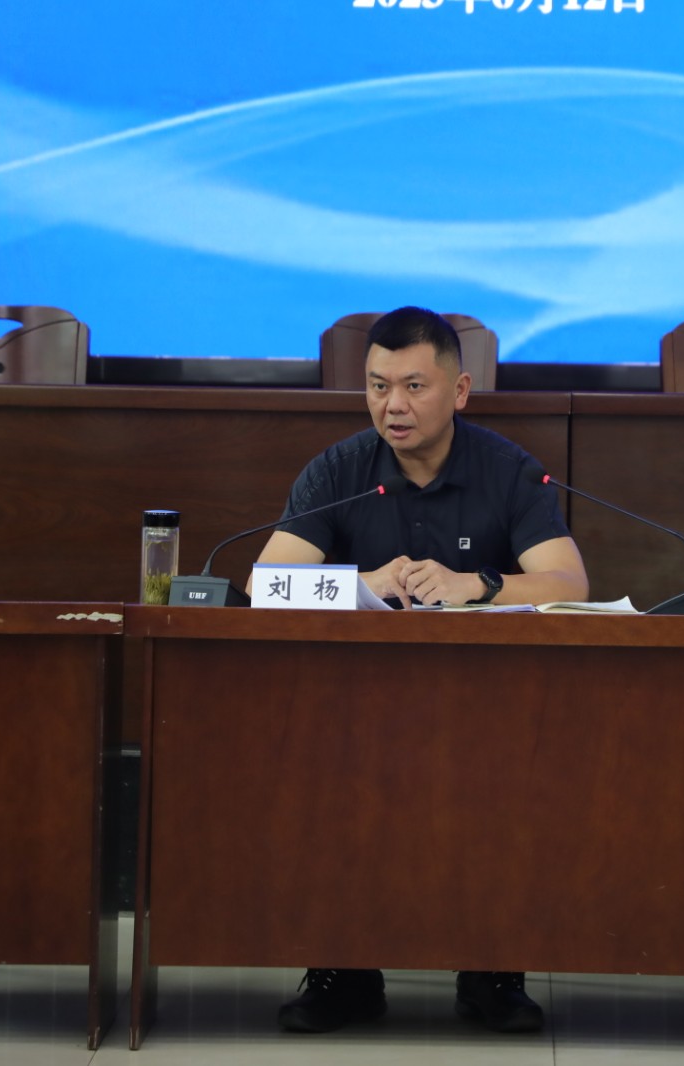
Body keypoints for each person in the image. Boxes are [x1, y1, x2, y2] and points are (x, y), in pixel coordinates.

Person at [254, 306, 588, 1034]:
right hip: (354, 703)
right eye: (378, 387)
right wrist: (363, 582)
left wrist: (480, 584)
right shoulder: (340, 470)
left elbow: (569, 583)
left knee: (511, 773)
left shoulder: (507, 470)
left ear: (459, 391)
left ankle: (493, 971)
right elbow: (265, 583)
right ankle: (344, 971)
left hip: (487, 704)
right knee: (320, 767)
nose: (393, 406)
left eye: (413, 386)